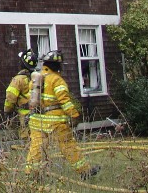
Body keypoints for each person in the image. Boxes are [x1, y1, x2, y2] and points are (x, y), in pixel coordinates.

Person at [25, 49, 100, 180]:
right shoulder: (56, 80)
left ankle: (32, 175)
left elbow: (30, 98)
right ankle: (84, 171)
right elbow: (64, 101)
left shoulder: (35, 79)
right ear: (57, 65)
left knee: (36, 147)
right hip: (55, 122)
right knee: (67, 144)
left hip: (36, 120)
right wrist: (75, 115)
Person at [4, 48, 38, 140]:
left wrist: (7, 111)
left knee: (27, 138)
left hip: (25, 114)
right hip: (38, 113)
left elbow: (10, 97)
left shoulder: (18, 79)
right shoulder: (38, 78)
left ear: (23, 63)